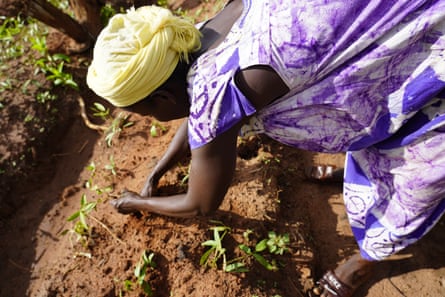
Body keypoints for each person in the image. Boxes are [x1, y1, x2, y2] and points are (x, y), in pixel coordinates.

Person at [86, 1, 445, 296]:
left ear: (161, 97)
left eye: (146, 111)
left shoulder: (216, 97)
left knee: (417, 175)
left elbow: (200, 203)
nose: (153, 119)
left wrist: (136, 201)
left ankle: (363, 264)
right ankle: (356, 171)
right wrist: (157, 171)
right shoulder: (210, 29)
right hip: (398, 22)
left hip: (430, 56)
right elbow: (202, 111)